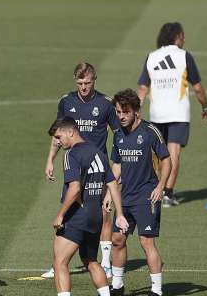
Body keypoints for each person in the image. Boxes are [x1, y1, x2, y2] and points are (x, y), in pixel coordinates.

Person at [43, 63, 120, 279]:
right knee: (68, 209)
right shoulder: (66, 101)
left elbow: (118, 136)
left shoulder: (105, 104)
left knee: (103, 212)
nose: (84, 87)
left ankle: (105, 263)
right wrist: (50, 159)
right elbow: (57, 133)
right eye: (80, 83)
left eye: (87, 83)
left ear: (95, 80)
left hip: (97, 166)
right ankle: (57, 263)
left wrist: (115, 162)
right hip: (76, 165)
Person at [48, 117, 128, 296]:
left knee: (59, 262)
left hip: (77, 215)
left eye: (59, 137)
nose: (58, 142)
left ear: (70, 132)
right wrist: (120, 214)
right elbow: (113, 184)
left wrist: (61, 214)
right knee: (91, 261)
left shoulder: (72, 155)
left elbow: (75, 188)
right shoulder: (98, 152)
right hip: (95, 216)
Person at [137, 22, 207, 207]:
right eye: (183, 35)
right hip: (178, 112)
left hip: (157, 112)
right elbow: (198, 88)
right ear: (176, 37)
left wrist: (136, 111)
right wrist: (206, 108)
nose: (184, 39)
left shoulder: (151, 57)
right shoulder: (184, 56)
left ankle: (156, 191)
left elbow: (142, 88)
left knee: (158, 154)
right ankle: (167, 194)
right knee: (173, 152)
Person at [110, 89, 171, 296]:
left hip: (146, 197)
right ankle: (117, 285)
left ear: (137, 111)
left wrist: (161, 186)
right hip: (124, 198)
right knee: (117, 239)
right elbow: (116, 166)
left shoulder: (150, 132)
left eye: (125, 112)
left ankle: (156, 290)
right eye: (118, 112)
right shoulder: (118, 134)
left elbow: (166, 159)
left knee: (146, 242)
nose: (121, 116)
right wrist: (110, 193)